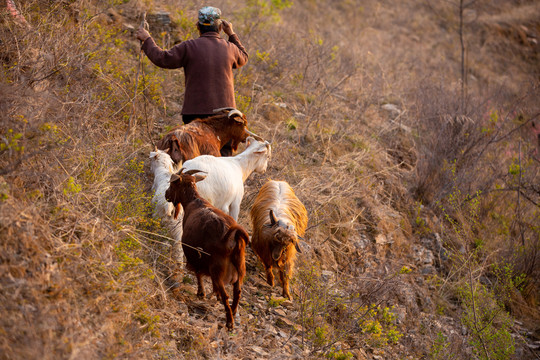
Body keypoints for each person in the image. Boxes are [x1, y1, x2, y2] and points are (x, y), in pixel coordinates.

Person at [136, 6, 248, 156]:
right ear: (220, 27)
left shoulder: (188, 47)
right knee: (223, 158)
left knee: (194, 156)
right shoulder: (230, 48)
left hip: (194, 113)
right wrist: (232, 34)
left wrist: (147, 40)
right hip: (225, 116)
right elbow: (244, 56)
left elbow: (162, 58)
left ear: (198, 27)